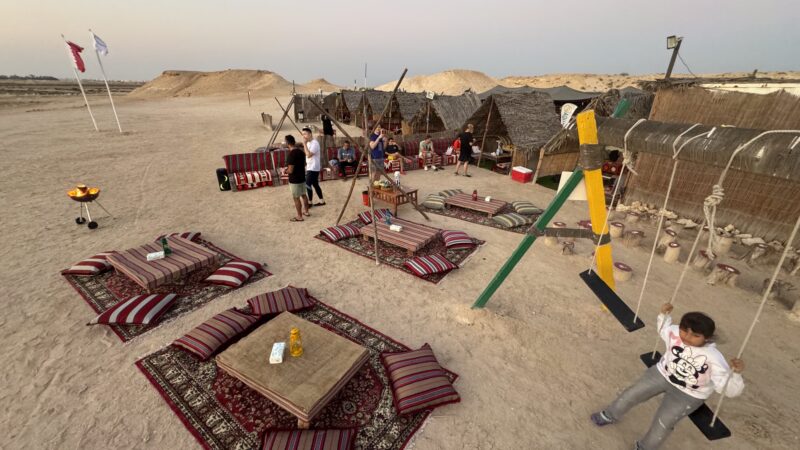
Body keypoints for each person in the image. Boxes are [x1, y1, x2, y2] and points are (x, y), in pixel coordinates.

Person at [591, 303, 745, 450]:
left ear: (707, 338)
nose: (687, 337)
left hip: (689, 393)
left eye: (695, 335)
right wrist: (663, 314)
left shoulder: (714, 358)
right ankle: (610, 414)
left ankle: (645, 447)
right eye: (685, 330)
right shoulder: (675, 332)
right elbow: (664, 329)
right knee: (631, 394)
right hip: (662, 373)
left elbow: (728, 389)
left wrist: (736, 375)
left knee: (664, 421)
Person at [285, 135, 310, 222]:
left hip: (294, 180)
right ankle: (306, 212)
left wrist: (285, 171)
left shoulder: (291, 154)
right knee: (304, 195)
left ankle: (299, 216)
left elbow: (290, 170)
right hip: (302, 177)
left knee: (296, 198)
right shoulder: (301, 152)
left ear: (287, 143)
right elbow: (305, 165)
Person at [301, 127, 325, 207]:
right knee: (315, 184)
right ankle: (322, 201)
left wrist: (304, 144)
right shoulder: (308, 143)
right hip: (310, 166)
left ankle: (310, 203)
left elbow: (308, 155)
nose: (303, 136)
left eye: (305, 134)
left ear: (310, 134)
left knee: (307, 184)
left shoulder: (315, 143)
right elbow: (307, 155)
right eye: (302, 134)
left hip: (314, 167)